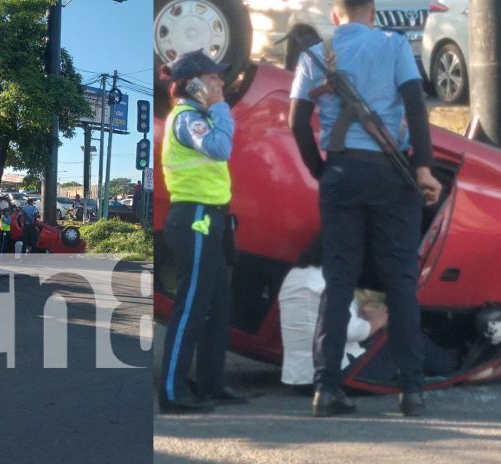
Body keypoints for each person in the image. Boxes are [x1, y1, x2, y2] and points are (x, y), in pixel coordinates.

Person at [289, 0, 442, 417]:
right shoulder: (393, 46)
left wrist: (322, 169)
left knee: (338, 281)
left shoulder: (316, 56)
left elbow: (297, 123)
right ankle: (412, 392)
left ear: (336, 16)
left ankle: (326, 390)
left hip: (340, 175)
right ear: (372, 13)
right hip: (392, 175)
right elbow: (416, 108)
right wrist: (424, 169)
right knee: (400, 282)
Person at [158, 49, 246, 414]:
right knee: (192, 307)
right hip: (193, 219)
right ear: (193, 85)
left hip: (212, 219)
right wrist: (222, 107)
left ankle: (210, 382)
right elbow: (219, 148)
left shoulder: (201, 116)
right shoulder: (187, 118)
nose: (221, 84)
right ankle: (172, 392)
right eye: (213, 79)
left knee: (219, 305)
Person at [279, 236, 459, 394]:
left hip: (299, 380)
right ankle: (455, 370)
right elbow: (350, 330)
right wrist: (378, 320)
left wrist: (358, 311)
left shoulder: (295, 275)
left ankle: (445, 364)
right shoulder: (332, 279)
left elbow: (320, 321)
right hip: (340, 374)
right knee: (404, 334)